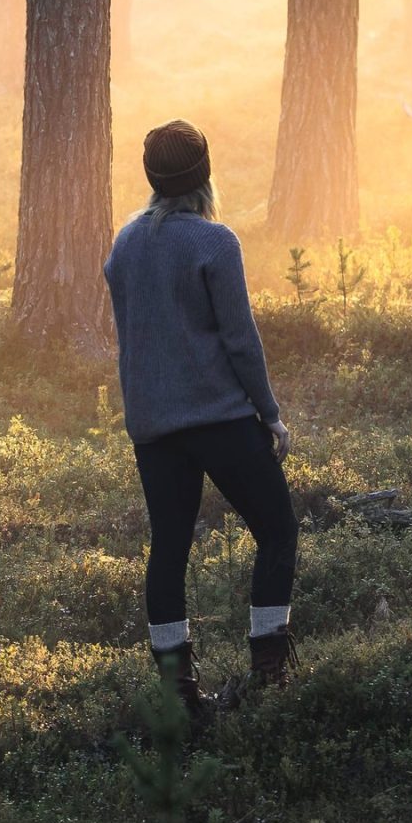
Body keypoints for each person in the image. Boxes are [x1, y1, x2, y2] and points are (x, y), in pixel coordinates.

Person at [103, 120, 298, 722]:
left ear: (151, 179)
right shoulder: (217, 243)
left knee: (169, 548)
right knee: (278, 531)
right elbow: (241, 342)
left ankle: (179, 695)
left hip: (154, 427)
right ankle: (269, 674)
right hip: (219, 418)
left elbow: (134, 334)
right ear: (204, 175)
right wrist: (269, 413)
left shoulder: (125, 245)